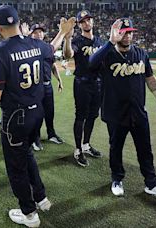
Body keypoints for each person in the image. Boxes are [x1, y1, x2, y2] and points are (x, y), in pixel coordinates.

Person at [0, 5, 71, 227]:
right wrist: (63, 32)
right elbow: (51, 48)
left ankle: (29, 214)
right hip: (37, 112)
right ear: (18, 23)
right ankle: (41, 198)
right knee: (27, 155)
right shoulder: (36, 44)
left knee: (16, 166)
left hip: (16, 117)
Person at [89, 18, 156, 199]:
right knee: (116, 148)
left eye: (130, 32)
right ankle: (117, 179)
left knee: (145, 149)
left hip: (138, 112)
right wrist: (111, 42)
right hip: (115, 113)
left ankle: (151, 184)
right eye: (123, 32)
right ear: (115, 34)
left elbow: (150, 78)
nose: (128, 35)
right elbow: (91, 62)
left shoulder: (141, 54)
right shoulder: (107, 54)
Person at [63, 10, 103, 167]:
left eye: (88, 20)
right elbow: (68, 54)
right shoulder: (77, 41)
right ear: (79, 25)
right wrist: (67, 38)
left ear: (92, 21)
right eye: (83, 21)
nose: (87, 23)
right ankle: (78, 149)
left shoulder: (100, 41)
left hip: (98, 84)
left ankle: (86, 144)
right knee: (80, 116)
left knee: (93, 116)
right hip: (82, 83)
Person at [24, 23, 65, 151]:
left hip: (47, 85)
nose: (39, 34)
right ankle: (35, 139)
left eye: (41, 32)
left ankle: (51, 134)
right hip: (35, 87)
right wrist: (24, 37)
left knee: (49, 112)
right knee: (37, 115)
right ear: (31, 34)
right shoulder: (28, 47)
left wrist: (59, 80)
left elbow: (52, 65)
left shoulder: (46, 48)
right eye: (36, 32)